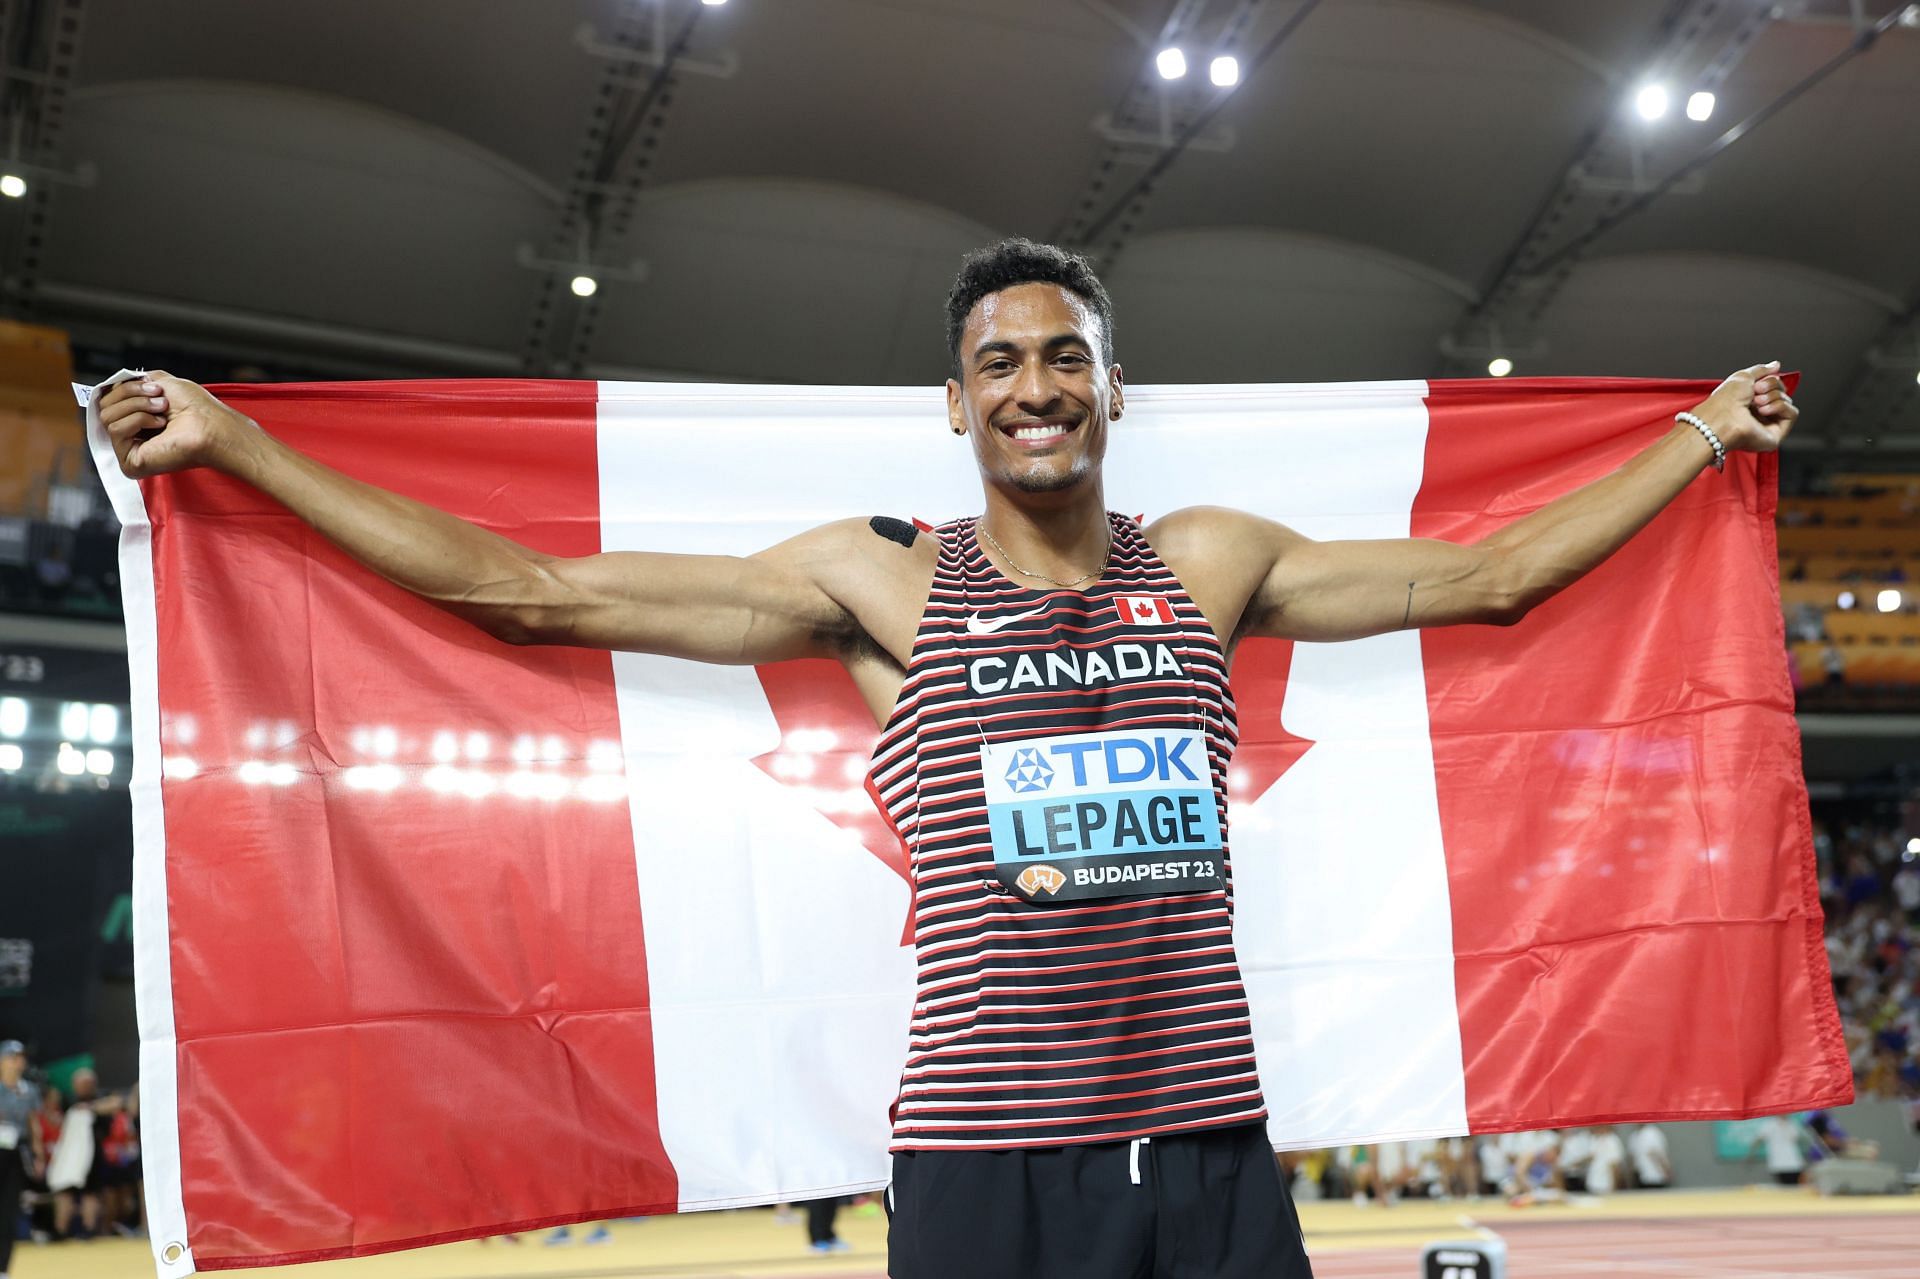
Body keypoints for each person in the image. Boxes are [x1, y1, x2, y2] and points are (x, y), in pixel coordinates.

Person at [97, 238, 1799, 1279]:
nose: (1036, 384)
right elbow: (528, 593)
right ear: (956, 401)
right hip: (988, 1164)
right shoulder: (884, 580)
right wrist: (238, 444)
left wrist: (1698, 435)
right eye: (1002, 361)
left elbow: (1492, 578)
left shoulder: (1205, 560)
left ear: (1112, 387)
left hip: (1208, 1145)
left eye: (1065, 355)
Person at [0, 1040, 40, 1279]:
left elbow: (33, 1125)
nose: (19, 1062)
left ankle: (2, 1268)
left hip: (15, 1154)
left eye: (21, 1057)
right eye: (14, 1057)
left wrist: (38, 1155)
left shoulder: (29, 1091)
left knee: (8, 1212)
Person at [1629, 1123, 1671, 1189]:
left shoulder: (1653, 1133)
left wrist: (1667, 1170)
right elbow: (1632, 1159)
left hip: (1656, 1177)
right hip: (1641, 1178)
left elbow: (1660, 1155)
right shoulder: (1633, 1136)